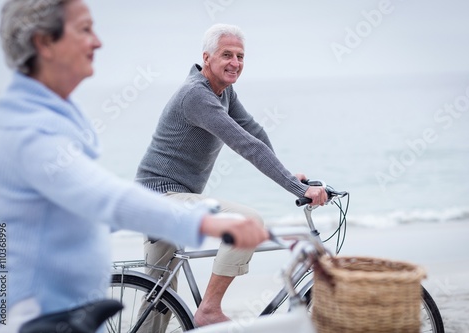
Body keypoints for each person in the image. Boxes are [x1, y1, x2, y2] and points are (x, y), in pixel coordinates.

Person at [0, 2, 268, 333]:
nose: (98, 42)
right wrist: (205, 221)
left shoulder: (55, 115)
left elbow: (81, 213)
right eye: (84, 29)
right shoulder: (29, 128)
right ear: (43, 43)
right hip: (30, 319)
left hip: (64, 312)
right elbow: (106, 198)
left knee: (157, 300)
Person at [135, 23, 327, 328]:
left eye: (240, 56)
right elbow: (245, 145)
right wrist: (294, 188)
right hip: (161, 197)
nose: (235, 63)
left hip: (165, 198)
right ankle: (209, 309)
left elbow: (254, 132)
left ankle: (197, 312)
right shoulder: (195, 95)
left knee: (158, 304)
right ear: (206, 57)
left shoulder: (222, 91)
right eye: (227, 54)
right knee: (247, 222)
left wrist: (290, 176)